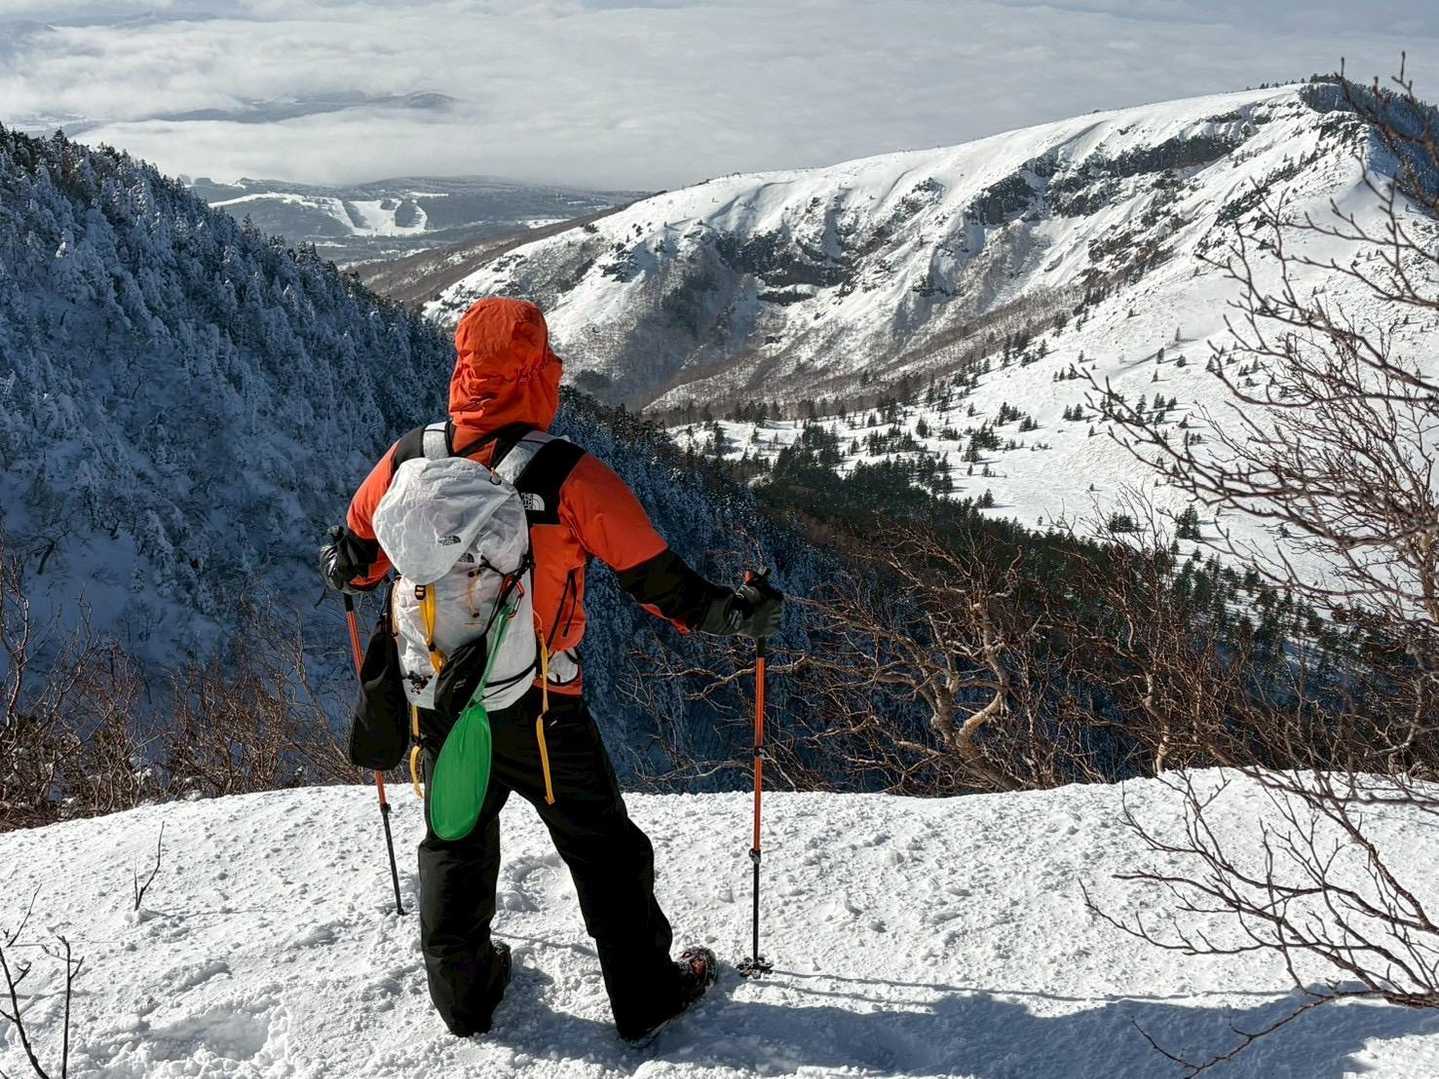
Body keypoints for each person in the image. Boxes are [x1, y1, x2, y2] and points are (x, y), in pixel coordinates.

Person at [320, 297, 782, 1041]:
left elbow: (358, 559)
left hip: (440, 698)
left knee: (455, 842)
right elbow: (661, 584)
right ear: (538, 373)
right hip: (540, 705)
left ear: (464, 369)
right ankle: (644, 996)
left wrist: (345, 565)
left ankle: (465, 998)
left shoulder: (409, 460)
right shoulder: (566, 473)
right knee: (604, 849)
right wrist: (740, 612)